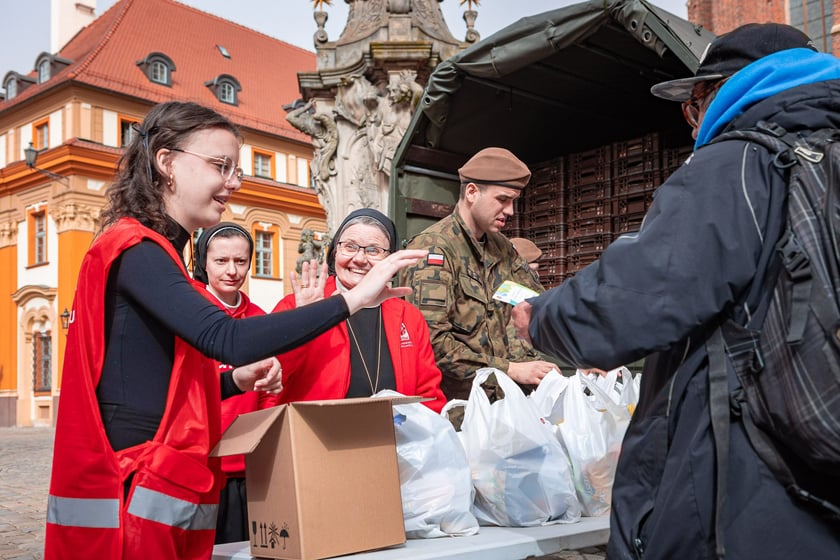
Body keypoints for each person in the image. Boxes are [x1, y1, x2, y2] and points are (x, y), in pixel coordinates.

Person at [513, 23, 840, 559]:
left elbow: (638, 292)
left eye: (693, 106)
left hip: (748, 488)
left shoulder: (736, 162)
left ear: (727, 89)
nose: (692, 127)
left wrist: (544, 320)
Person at [46, 101, 427, 560]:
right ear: (166, 162)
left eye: (237, 169)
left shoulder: (155, 253)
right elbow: (228, 338)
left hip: (151, 483)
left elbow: (150, 376)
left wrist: (232, 380)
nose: (233, 182)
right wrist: (351, 299)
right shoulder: (137, 250)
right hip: (130, 488)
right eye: (220, 165)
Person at [399, 147, 560, 400]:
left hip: (505, 400)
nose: (510, 211)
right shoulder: (434, 249)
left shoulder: (502, 248)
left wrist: (584, 353)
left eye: (513, 201)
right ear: (472, 192)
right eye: (503, 199)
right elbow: (432, 343)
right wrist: (510, 369)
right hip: (456, 408)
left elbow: (536, 304)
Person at [267, 208, 447, 412]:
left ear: (391, 260)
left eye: (373, 250)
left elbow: (429, 395)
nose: (360, 259)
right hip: (316, 438)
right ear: (335, 252)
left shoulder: (409, 317)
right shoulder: (297, 306)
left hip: (395, 438)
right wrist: (304, 322)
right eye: (350, 247)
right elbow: (268, 382)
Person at [192, 222, 267, 544]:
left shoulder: (261, 320)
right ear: (203, 264)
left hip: (248, 468)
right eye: (221, 261)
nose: (232, 271)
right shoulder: (187, 312)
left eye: (241, 261)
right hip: (199, 465)